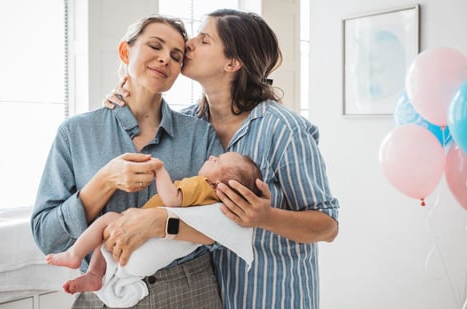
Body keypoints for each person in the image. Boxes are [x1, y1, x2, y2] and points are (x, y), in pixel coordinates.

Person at [103, 9, 340, 309]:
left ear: (232, 62)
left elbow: (327, 225)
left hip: (273, 297)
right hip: (209, 296)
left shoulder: (283, 130)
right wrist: (120, 100)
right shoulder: (188, 125)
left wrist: (267, 217)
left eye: (204, 40)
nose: (189, 44)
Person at [31, 14, 226, 308]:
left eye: (175, 56)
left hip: (189, 291)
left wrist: (160, 224)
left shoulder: (200, 135)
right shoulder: (76, 133)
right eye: (155, 46)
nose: (165, 59)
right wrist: (104, 180)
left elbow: (223, 226)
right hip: (101, 290)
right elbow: (47, 237)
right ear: (126, 51)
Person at [45, 152, 262, 304]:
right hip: (154, 251)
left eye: (218, 162)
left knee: (108, 219)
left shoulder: (200, 184)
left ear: (218, 185)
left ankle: (77, 256)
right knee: (108, 233)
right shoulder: (213, 204)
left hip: (148, 240)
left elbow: (173, 199)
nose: (213, 156)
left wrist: (160, 171)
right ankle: (94, 275)